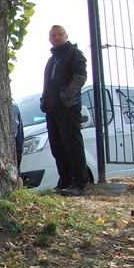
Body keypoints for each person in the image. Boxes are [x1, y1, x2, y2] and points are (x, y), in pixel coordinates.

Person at [40, 25, 89, 197]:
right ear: (49, 39)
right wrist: (45, 101)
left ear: (66, 36)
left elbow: (80, 77)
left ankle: (79, 184)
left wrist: (67, 94)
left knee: (72, 145)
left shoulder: (74, 53)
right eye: (53, 35)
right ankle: (65, 181)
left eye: (60, 34)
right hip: (52, 109)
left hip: (68, 106)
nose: (57, 37)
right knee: (57, 147)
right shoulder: (52, 59)